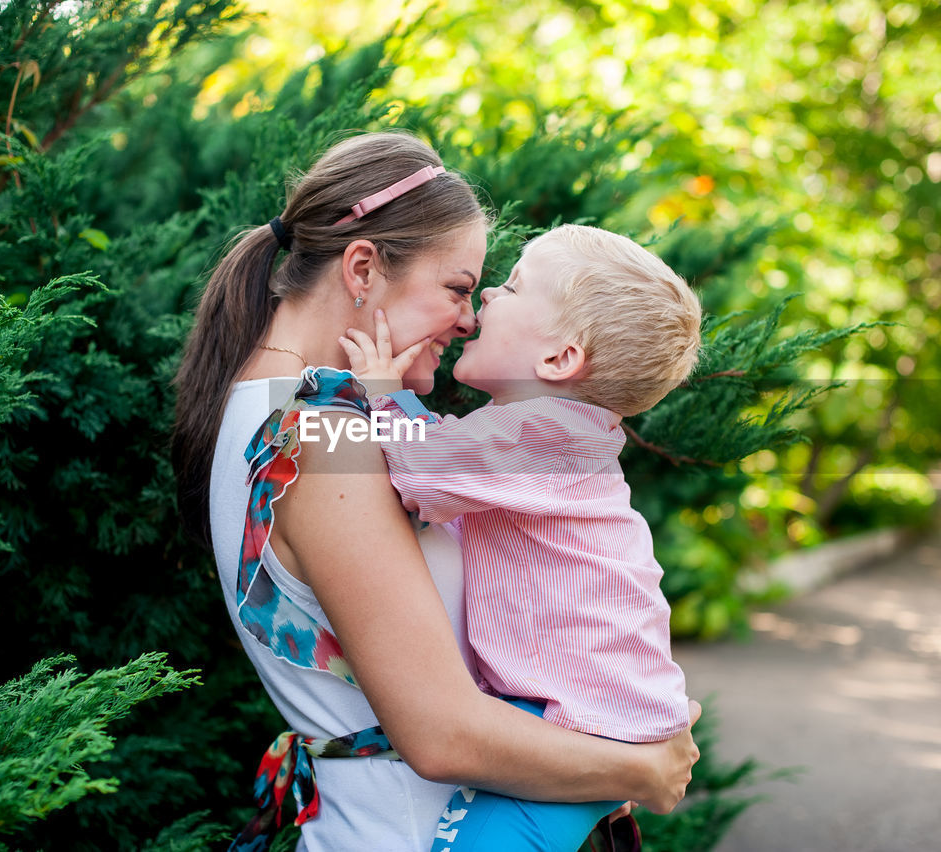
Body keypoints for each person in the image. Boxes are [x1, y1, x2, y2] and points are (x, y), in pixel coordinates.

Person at [171, 132, 701, 852]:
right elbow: (444, 734)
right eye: (457, 288)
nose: (471, 315)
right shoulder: (325, 441)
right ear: (363, 268)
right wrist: (644, 769)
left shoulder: (286, 412)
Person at [339, 224, 702, 851]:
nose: (484, 299)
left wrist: (377, 395)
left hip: (584, 725)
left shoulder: (549, 433)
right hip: (589, 716)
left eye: (510, 286)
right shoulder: (548, 437)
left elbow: (426, 471)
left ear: (559, 359)